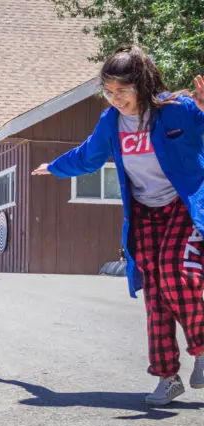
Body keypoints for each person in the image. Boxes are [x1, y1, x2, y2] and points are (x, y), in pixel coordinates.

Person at [32, 45, 204, 405]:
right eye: (108, 93)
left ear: (142, 85)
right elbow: (89, 155)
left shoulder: (178, 111)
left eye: (122, 92)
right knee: (155, 293)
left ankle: (201, 349)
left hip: (182, 206)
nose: (115, 100)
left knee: (175, 272)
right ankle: (167, 376)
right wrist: (57, 167)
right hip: (144, 213)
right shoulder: (111, 122)